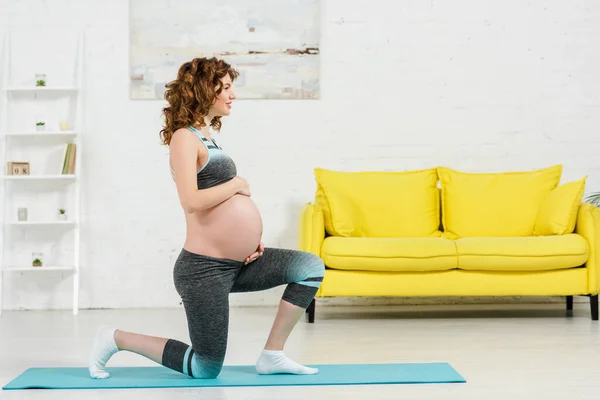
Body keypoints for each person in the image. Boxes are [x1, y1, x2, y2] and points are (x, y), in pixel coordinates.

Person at [88, 57, 325, 379]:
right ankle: (115, 338)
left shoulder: (206, 136)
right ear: (204, 89)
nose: (232, 95)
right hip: (203, 270)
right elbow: (191, 201)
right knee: (205, 368)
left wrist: (244, 241)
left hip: (239, 262)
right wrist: (237, 184)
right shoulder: (184, 137)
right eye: (225, 87)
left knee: (308, 267)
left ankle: (273, 355)